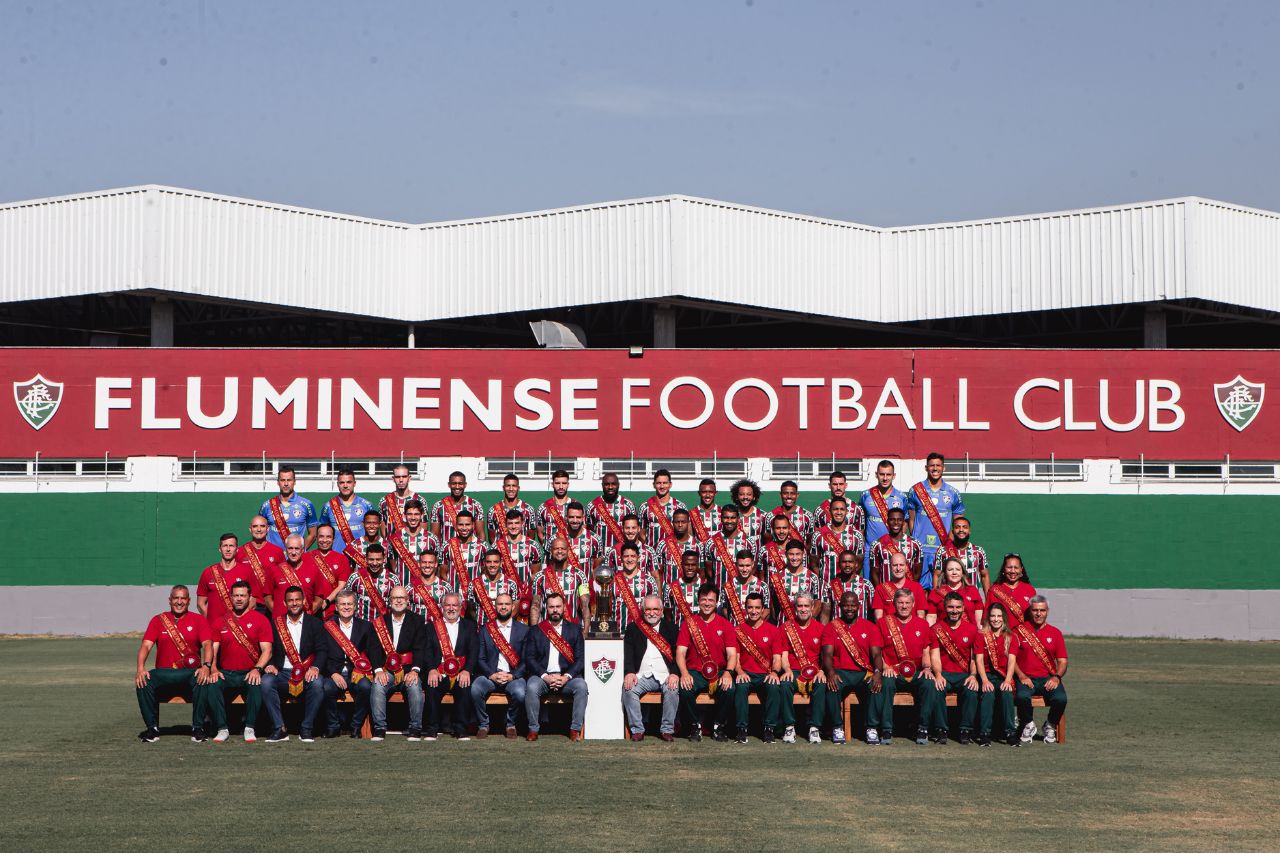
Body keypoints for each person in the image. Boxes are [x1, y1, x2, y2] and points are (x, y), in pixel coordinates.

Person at [135, 585, 212, 743]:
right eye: (176, 598)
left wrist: (206, 666)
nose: (179, 602)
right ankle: (152, 729)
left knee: (202, 678)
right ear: (170, 601)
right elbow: (146, 645)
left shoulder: (199, 620)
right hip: (164, 674)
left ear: (189, 601)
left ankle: (198, 728)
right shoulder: (158, 620)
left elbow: (208, 645)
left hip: (189, 674)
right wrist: (140, 668)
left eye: (183, 598)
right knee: (143, 680)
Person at [205, 580, 274, 743]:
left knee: (256, 683)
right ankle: (222, 728)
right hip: (226, 673)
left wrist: (257, 668)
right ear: (230, 597)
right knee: (212, 684)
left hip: (249, 671)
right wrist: (213, 668)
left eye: (243, 595)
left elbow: (267, 651)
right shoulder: (220, 621)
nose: (239, 599)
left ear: (250, 598)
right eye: (236, 595)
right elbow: (212, 650)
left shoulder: (261, 620)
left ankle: (250, 727)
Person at [811, 590, 883, 745]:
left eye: (852, 605)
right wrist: (830, 672)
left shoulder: (870, 627)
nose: (849, 609)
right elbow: (827, 655)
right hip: (840, 672)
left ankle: (871, 728)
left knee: (875, 685)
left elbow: (877, 655)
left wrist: (877, 672)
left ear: (858, 606)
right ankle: (837, 727)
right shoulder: (831, 627)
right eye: (846, 605)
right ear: (839, 606)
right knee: (832, 684)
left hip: (863, 672)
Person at [261, 586, 328, 742]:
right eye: (290, 600)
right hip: (282, 671)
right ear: (285, 603)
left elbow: (322, 650)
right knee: (266, 682)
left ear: (304, 601)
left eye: (297, 599)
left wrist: (315, 667)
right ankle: (279, 728)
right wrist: (270, 664)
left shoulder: (315, 623)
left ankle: (306, 729)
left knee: (318, 684)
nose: (294, 603)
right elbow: (268, 648)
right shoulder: (276, 624)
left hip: (307, 671)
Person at [876, 588, 942, 746]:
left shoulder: (923, 624)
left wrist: (927, 668)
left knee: (928, 683)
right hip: (893, 672)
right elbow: (877, 651)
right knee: (886, 683)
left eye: (907, 603)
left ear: (913, 604)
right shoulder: (883, 623)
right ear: (894, 604)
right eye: (900, 603)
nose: (904, 606)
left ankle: (923, 728)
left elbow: (926, 651)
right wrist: (885, 667)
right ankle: (886, 729)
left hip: (916, 672)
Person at [675, 583, 738, 742]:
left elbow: (732, 655)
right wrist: (684, 674)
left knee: (730, 689)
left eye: (711, 600)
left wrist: (729, 673)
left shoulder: (726, 625)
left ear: (716, 602)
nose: (707, 603)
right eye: (704, 600)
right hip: (695, 672)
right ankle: (695, 726)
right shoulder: (689, 623)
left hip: (719, 672)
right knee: (684, 687)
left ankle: (719, 726)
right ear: (698, 601)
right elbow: (680, 653)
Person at [524, 592, 588, 741]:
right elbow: (530, 658)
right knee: (532, 687)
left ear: (564, 608)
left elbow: (580, 659)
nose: (555, 610)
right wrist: (545, 676)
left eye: (558, 606)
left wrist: (566, 677)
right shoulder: (536, 630)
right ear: (546, 608)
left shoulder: (575, 630)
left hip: (567, 678)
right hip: (543, 677)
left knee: (582, 686)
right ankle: (533, 729)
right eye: (551, 607)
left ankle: (575, 729)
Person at [367, 586, 428, 741]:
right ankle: (379, 729)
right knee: (378, 685)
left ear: (408, 601)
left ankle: (415, 728)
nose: (399, 601)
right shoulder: (380, 622)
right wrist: (378, 670)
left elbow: (420, 649)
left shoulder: (418, 621)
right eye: (395, 598)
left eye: (402, 598)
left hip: (409, 670)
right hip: (387, 670)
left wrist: (415, 670)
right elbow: (373, 649)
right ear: (389, 601)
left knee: (414, 686)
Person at [621, 595, 681, 742]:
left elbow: (679, 655)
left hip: (665, 675)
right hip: (642, 675)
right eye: (648, 609)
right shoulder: (634, 628)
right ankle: (637, 730)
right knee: (628, 688)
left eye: (655, 609)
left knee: (672, 689)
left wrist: (674, 673)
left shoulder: (672, 628)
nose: (652, 612)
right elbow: (628, 654)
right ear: (643, 611)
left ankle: (667, 730)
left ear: (661, 611)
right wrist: (629, 672)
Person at [1011, 595, 1068, 745]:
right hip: (1025, 678)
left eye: (1042, 610)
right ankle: (1028, 724)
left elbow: (1062, 661)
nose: (1038, 613)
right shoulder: (1018, 631)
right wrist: (1021, 676)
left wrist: (1056, 677)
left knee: (1061, 699)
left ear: (1047, 611)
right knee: (1022, 697)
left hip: (1048, 678)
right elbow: (1011, 659)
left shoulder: (1055, 633)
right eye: (1035, 610)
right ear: (1030, 611)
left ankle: (1049, 725)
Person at [423, 591, 480, 740]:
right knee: (431, 686)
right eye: (447, 605)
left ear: (460, 607)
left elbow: (474, 651)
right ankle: (431, 729)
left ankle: (460, 729)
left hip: (460, 672)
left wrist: (467, 670)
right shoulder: (431, 627)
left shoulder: (470, 626)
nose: (451, 608)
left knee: (465, 686)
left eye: (454, 605)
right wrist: (431, 669)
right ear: (442, 607)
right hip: (439, 672)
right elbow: (426, 651)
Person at [471, 591, 528, 739]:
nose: (503, 607)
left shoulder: (523, 630)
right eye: (500, 604)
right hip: (491, 675)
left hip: (513, 676)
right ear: (495, 606)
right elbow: (480, 658)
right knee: (476, 689)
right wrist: (492, 674)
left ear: (513, 606)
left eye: (507, 604)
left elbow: (526, 660)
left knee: (520, 693)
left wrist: (513, 676)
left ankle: (510, 724)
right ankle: (483, 724)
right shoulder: (485, 629)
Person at [906, 453, 967, 588]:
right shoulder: (915, 490)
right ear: (926, 468)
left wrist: (946, 544)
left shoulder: (953, 493)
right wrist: (916, 540)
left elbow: (958, 525)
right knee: (918, 590)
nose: (935, 468)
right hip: (920, 550)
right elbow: (911, 519)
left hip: (941, 550)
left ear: (943, 468)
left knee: (940, 591)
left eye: (938, 465)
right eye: (932, 465)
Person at [928, 591, 981, 744]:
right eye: (950, 607)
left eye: (958, 607)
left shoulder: (972, 630)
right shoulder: (936, 628)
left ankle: (966, 730)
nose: (954, 611)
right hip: (944, 673)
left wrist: (973, 675)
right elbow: (935, 656)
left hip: (964, 675)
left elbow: (973, 658)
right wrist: (938, 675)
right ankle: (941, 730)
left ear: (963, 608)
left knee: (971, 690)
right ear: (945, 607)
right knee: (936, 688)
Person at [320, 591, 374, 739]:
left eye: (349, 604)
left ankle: (355, 726)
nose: (346, 607)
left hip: (356, 672)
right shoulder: (326, 627)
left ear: (355, 606)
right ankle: (333, 726)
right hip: (334, 672)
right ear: (336, 607)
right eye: (343, 604)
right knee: (326, 688)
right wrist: (332, 673)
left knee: (365, 687)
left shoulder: (366, 627)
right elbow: (322, 654)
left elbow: (371, 652)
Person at [730, 592, 783, 744]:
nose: (753, 611)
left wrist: (774, 672)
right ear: (745, 608)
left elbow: (777, 658)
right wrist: (739, 672)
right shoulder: (738, 630)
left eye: (757, 608)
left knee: (773, 686)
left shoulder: (773, 630)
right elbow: (736, 657)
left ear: (762, 609)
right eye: (750, 608)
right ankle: (741, 729)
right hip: (746, 673)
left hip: (765, 674)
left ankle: (769, 729)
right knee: (740, 686)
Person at [774, 593, 825, 744]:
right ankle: (789, 726)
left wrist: (822, 671)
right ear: (795, 608)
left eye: (806, 606)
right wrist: (787, 670)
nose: (803, 609)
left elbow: (825, 655)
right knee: (785, 684)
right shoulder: (785, 628)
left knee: (821, 684)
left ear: (812, 607)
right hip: (794, 671)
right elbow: (784, 654)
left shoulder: (821, 628)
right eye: (800, 606)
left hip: (815, 672)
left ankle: (814, 727)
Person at [198, 533, 267, 624]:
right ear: (220, 549)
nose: (228, 549)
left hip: (239, 629)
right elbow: (200, 603)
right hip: (214, 630)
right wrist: (210, 622)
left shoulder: (247, 571)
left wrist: (243, 620)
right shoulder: (208, 572)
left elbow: (253, 601)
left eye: (231, 546)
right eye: (225, 546)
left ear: (237, 549)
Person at [975, 601, 1017, 747]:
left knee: (1006, 693)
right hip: (986, 676)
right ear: (988, 618)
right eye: (993, 616)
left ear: (1004, 618)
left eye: (999, 616)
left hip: (1003, 676)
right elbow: (979, 660)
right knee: (988, 694)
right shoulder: (981, 635)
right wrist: (985, 681)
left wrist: (1008, 680)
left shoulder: (1011, 637)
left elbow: (1012, 661)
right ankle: (985, 734)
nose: (996, 619)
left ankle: (1010, 733)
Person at [859, 460, 908, 576]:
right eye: (882, 474)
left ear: (894, 476)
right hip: (870, 550)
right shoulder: (866, 495)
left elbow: (905, 522)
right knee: (870, 585)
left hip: (892, 549)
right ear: (876, 475)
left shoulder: (902, 497)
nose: (885, 478)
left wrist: (896, 543)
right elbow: (860, 522)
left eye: (888, 474)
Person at [493, 509, 540, 619]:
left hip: (526, 596)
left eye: (517, 523)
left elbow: (535, 573)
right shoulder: (497, 546)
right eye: (510, 523)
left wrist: (527, 593)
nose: (513, 526)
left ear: (522, 524)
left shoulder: (532, 545)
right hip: (504, 595)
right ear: (505, 524)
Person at [808, 497, 865, 588]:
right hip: (826, 587)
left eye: (842, 509)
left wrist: (848, 581)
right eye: (835, 509)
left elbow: (858, 564)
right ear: (830, 511)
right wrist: (824, 580)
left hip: (848, 587)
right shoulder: (819, 535)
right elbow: (813, 563)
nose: (839, 512)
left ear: (846, 512)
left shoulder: (857, 536)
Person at [532, 537, 590, 625]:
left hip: (572, 629)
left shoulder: (579, 575)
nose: (559, 551)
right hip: (548, 630)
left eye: (563, 548)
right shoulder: (540, 576)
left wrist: (585, 631)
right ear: (551, 551)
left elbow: (585, 605)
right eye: (556, 548)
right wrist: (534, 631)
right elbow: (535, 606)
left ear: (568, 551)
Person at [260, 465, 319, 549]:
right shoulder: (267, 505)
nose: (286, 484)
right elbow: (260, 532)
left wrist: (300, 551)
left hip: (295, 558)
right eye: (283, 480)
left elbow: (313, 534)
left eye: (289, 480)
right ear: (278, 482)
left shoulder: (306, 505)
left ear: (294, 482)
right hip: (273, 558)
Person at [766, 539, 824, 624]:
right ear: (786, 554)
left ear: (803, 554)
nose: (794, 558)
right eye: (791, 554)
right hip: (783, 625)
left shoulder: (812, 577)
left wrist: (806, 621)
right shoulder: (777, 577)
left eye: (798, 554)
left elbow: (817, 604)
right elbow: (773, 605)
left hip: (805, 626)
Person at [342, 544, 403, 623]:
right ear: (366, 559)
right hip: (361, 625)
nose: (374, 563)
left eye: (378, 559)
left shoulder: (393, 580)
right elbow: (345, 599)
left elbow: (399, 604)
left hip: (384, 628)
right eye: (371, 559)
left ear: (384, 559)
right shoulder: (355, 577)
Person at [267, 535, 326, 617]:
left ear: (302, 550)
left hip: (305, 623)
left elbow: (319, 598)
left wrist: (308, 615)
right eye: (290, 548)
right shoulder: (274, 570)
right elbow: (267, 598)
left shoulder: (314, 571)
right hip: (282, 625)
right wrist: (279, 615)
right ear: (286, 550)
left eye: (297, 548)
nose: (293, 552)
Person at [319, 468, 374, 554]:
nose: (345, 485)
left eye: (349, 482)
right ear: (337, 484)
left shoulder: (366, 505)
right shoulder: (328, 506)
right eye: (342, 482)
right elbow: (321, 532)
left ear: (354, 483)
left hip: (360, 557)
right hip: (336, 556)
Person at [701, 505, 757, 590]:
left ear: (738, 519)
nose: (729, 521)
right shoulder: (711, 542)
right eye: (726, 518)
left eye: (733, 518)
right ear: (721, 518)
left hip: (740, 593)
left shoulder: (749, 542)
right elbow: (709, 571)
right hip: (719, 592)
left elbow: (753, 568)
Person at [930, 515, 990, 594]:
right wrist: (936, 596)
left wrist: (988, 602)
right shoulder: (943, 551)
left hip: (973, 598)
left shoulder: (978, 551)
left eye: (965, 527)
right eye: (957, 527)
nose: (961, 530)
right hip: (950, 599)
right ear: (953, 531)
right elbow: (937, 575)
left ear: (969, 531)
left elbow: (984, 576)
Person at [611, 543, 662, 634]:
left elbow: (655, 608)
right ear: (621, 558)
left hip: (642, 633)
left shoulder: (649, 580)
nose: (629, 560)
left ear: (638, 558)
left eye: (633, 556)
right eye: (626, 556)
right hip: (617, 633)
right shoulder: (613, 580)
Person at [867, 508, 925, 587]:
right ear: (887, 522)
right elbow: (874, 572)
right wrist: (880, 591)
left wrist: (911, 589)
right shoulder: (877, 544)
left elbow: (917, 572)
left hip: (906, 595)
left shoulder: (915, 544)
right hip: (886, 593)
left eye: (899, 520)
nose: (896, 523)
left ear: (903, 522)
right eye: (892, 520)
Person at [385, 499, 441, 578]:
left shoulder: (432, 539)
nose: (413, 517)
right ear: (404, 516)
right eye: (410, 514)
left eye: (416, 514)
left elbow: (437, 566)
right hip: (402, 587)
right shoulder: (395, 539)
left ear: (421, 516)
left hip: (423, 588)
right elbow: (393, 566)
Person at [236, 516, 286, 597]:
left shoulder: (277, 551)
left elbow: (283, 578)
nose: (259, 529)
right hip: (247, 604)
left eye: (262, 526)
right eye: (255, 526)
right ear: (250, 529)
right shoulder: (240, 551)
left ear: (268, 529)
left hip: (270, 603)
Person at [927, 556, 985, 626]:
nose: (954, 572)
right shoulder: (936, 593)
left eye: (957, 569)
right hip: (945, 634)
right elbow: (931, 618)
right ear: (945, 573)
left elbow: (979, 618)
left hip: (969, 634)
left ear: (962, 572)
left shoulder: (972, 590)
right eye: (950, 569)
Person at [823, 549, 875, 625]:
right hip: (838, 630)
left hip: (861, 631)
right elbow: (825, 613)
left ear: (856, 564)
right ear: (839, 564)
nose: (847, 565)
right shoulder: (830, 585)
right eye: (844, 562)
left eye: (850, 562)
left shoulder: (866, 585)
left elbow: (873, 611)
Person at [431, 471, 486, 542]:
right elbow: (434, 534)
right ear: (449, 485)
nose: (457, 486)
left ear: (465, 485)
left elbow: (480, 533)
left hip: (471, 551)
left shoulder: (476, 505)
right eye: (454, 483)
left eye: (460, 483)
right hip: (447, 550)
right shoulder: (438, 506)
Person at [985, 554, 1038, 629]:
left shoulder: (1030, 590)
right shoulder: (994, 590)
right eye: (1009, 567)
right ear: (1004, 569)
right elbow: (986, 618)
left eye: (1016, 567)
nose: (1013, 571)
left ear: (1021, 569)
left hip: (1023, 637)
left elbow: (1035, 617)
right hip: (1001, 636)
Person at [586, 471, 636, 551]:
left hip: (622, 552)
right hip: (600, 553)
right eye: (606, 484)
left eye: (613, 484)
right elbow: (589, 532)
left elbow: (635, 531)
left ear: (618, 485)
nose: (610, 487)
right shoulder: (592, 506)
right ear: (602, 486)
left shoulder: (628, 505)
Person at [872, 552, 928, 621]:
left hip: (912, 629)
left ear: (906, 566)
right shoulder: (880, 588)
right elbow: (878, 617)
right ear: (890, 567)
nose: (898, 568)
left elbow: (921, 615)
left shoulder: (917, 587)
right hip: (890, 630)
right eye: (895, 565)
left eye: (901, 565)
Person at [441, 510, 486, 595]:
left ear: (473, 525)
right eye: (461, 524)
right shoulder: (447, 546)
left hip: (476, 595)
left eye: (467, 524)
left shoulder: (483, 546)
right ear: (456, 525)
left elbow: (485, 572)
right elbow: (443, 573)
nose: (464, 528)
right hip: (454, 597)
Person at [309, 524, 351, 616]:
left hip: (333, 610)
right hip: (311, 609)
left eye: (328, 537)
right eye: (321, 536)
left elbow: (342, 585)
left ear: (333, 539)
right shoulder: (307, 557)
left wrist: (327, 601)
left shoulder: (342, 559)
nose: (324, 540)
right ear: (316, 538)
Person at [470, 549, 519, 626]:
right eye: (489, 562)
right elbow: (471, 609)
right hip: (481, 630)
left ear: (501, 563)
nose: (492, 565)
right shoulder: (474, 584)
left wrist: (503, 624)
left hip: (503, 630)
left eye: (496, 562)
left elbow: (515, 608)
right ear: (484, 563)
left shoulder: (511, 583)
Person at [602, 514, 660, 579]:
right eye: (627, 528)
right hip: (621, 588)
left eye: (633, 528)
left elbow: (655, 576)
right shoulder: (612, 551)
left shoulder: (649, 551)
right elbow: (607, 577)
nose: (630, 531)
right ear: (623, 529)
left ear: (639, 529)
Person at [638, 468, 687, 545]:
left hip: (673, 553)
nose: (662, 486)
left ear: (670, 484)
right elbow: (641, 534)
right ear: (654, 485)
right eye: (658, 483)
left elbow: (686, 533)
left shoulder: (680, 506)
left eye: (665, 483)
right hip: (652, 554)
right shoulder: (645, 507)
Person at [558, 501, 604, 578]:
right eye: (571, 517)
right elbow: (551, 565)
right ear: (566, 518)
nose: (575, 520)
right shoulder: (557, 538)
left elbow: (597, 566)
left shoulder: (595, 539)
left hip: (587, 586)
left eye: (578, 517)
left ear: (583, 518)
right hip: (562, 586)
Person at [721, 550, 770, 622]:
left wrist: (754, 625)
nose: (744, 569)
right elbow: (724, 609)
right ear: (736, 565)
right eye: (741, 566)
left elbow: (767, 610)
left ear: (752, 564)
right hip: (734, 630)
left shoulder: (763, 586)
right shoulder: (728, 586)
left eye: (747, 565)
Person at [654, 508, 698, 587]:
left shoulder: (698, 545)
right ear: (672, 523)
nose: (680, 525)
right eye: (677, 522)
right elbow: (659, 573)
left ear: (688, 523)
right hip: (669, 592)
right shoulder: (662, 545)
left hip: (692, 592)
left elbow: (701, 573)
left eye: (683, 522)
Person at [406, 551, 455, 621]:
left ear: (436, 564)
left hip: (439, 629)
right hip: (417, 629)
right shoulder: (410, 587)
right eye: (424, 562)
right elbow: (406, 610)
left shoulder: (446, 587)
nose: (427, 565)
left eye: (430, 562)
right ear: (419, 564)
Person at [379, 463, 423, 537]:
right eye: (397, 477)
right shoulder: (384, 501)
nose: (401, 480)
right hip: (392, 546)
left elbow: (423, 527)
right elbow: (383, 526)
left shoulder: (420, 500)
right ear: (393, 479)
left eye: (404, 476)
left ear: (409, 478)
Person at [488, 473, 538, 538]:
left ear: (518, 488)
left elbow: (531, 535)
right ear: (503, 488)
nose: (511, 489)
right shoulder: (493, 510)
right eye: (508, 485)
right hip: (501, 548)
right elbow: (492, 535)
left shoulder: (528, 509)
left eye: (514, 486)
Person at [665, 550, 704, 626]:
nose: (690, 568)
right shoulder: (671, 588)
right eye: (687, 565)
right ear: (681, 565)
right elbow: (668, 614)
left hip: (701, 635)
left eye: (693, 565)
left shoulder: (704, 586)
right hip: (678, 633)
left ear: (698, 565)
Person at [537, 469, 576, 544]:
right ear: (552, 484)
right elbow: (540, 533)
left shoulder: (576, 506)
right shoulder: (543, 507)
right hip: (550, 553)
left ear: (568, 484)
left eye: (564, 483)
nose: (561, 486)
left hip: (571, 553)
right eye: (557, 483)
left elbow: (582, 529)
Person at [689, 478, 720, 543]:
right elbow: (690, 538)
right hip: (699, 552)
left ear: (715, 493)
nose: (707, 495)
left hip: (719, 552)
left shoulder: (722, 512)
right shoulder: (692, 513)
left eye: (711, 492)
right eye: (704, 492)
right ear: (699, 493)